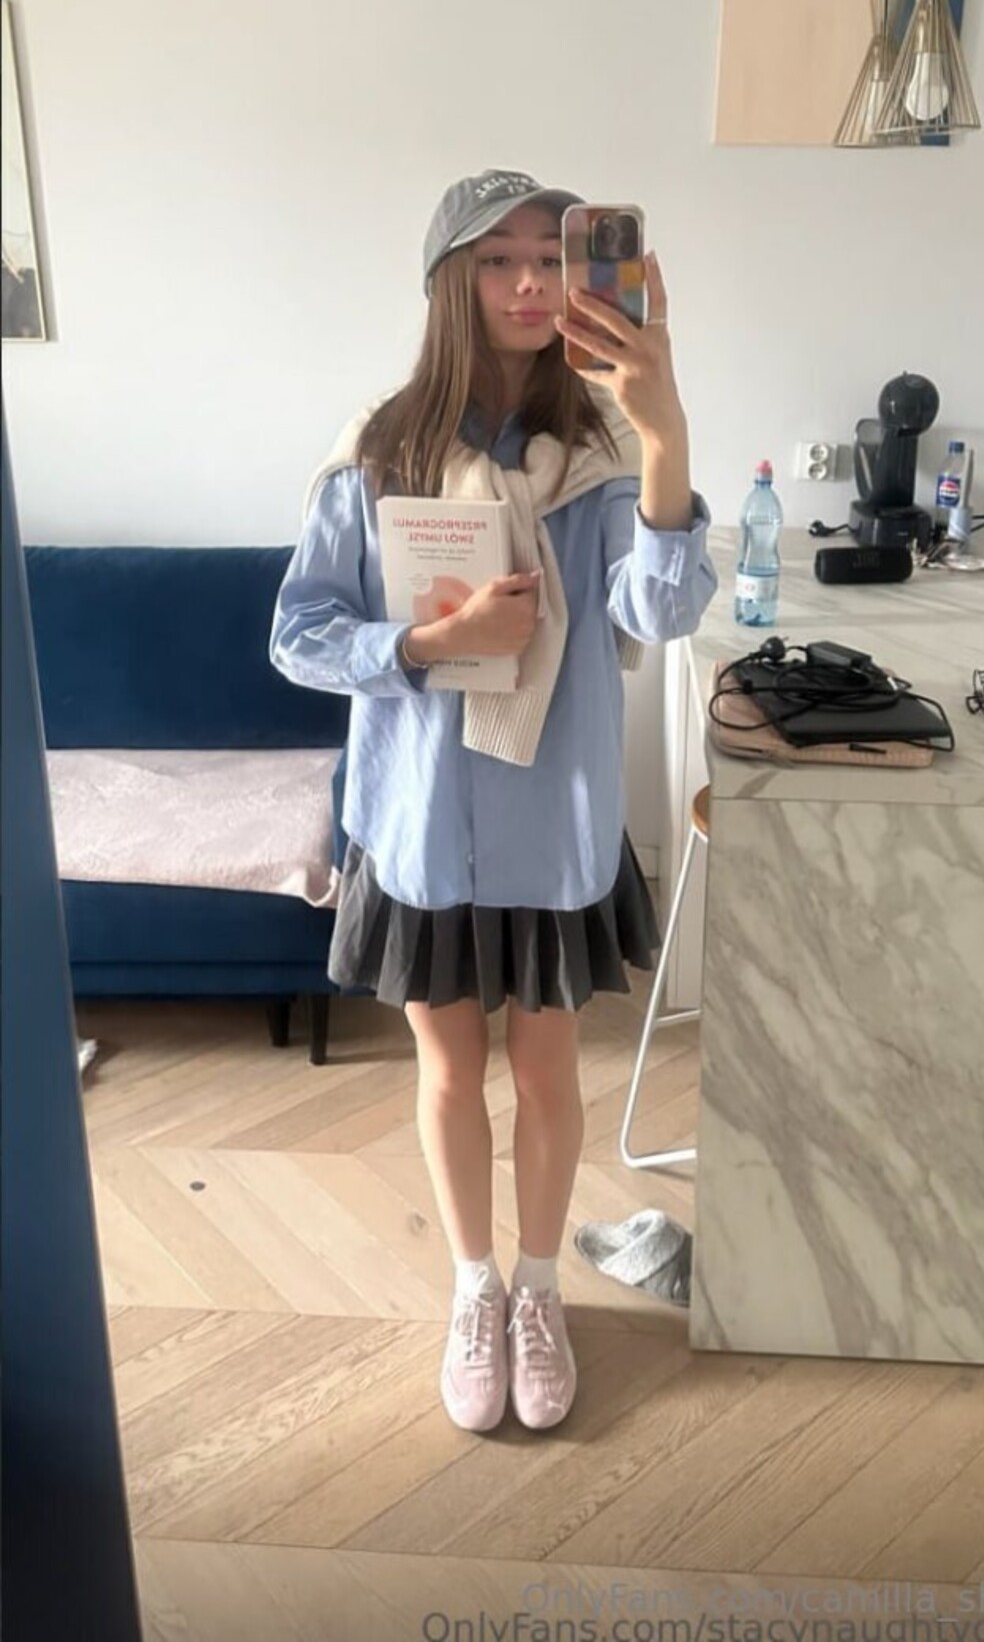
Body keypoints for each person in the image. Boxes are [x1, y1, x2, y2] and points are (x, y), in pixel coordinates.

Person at [270, 168, 718, 1436]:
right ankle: (475, 1288)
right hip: (420, 824)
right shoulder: (379, 454)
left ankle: (537, 1290)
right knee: (449, 1069)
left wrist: (667, 434)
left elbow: (661, 612)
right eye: (497, 259)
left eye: (551, 257)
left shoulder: (608, 452)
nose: (529, 282)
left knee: (548, 1069)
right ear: (450, 283)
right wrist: (426, 644)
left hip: (552, 822)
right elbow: (300, 634)